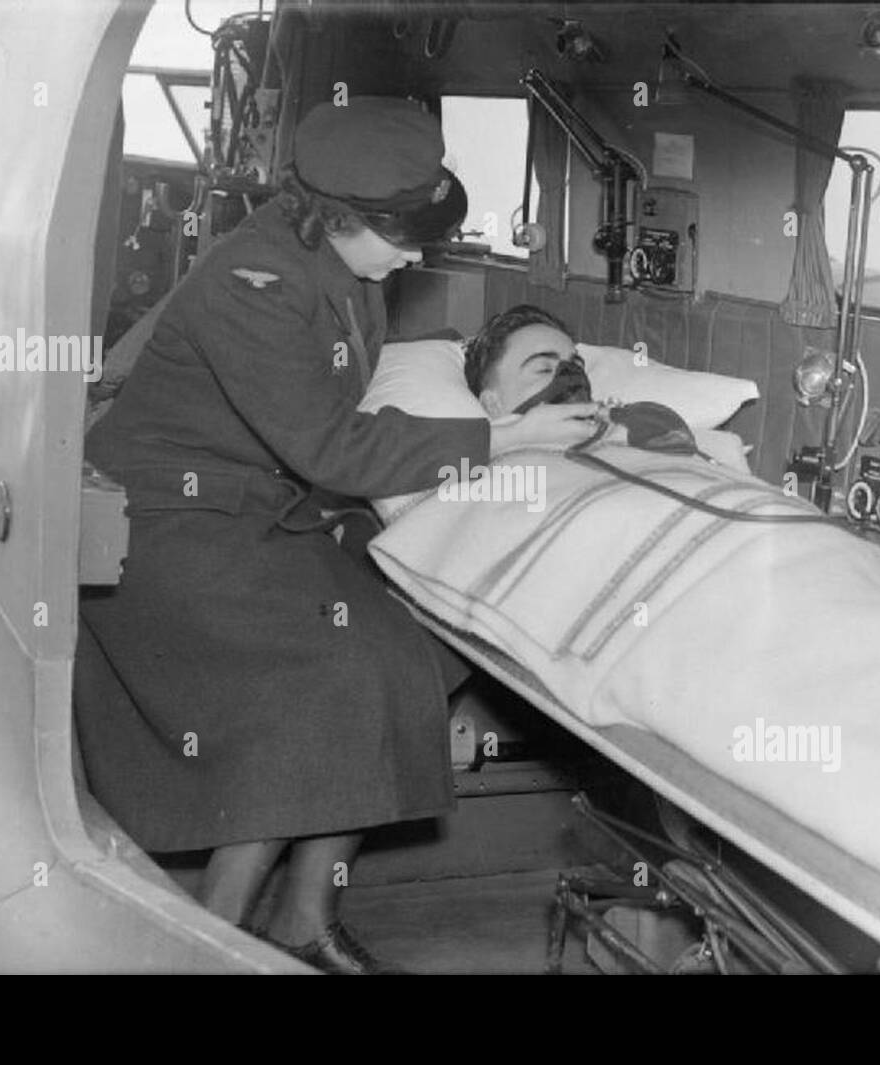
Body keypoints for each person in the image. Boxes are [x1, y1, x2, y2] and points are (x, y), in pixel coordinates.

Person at [74, 98, 598, 974]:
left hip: (257, 509)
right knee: (330, 672)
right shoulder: (257, 287)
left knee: (418, 648)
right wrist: (501, 438)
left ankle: (301, 919)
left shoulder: (349, 263)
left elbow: (326, 425)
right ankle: (217, 933)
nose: (419, 253)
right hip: (164, 521)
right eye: (404, 235)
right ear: (341, 217)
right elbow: (327, 442)